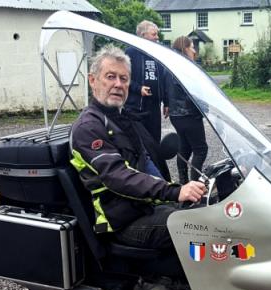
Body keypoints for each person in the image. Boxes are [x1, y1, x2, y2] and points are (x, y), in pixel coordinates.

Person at [70, 44, 206, 249]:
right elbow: (118, 177)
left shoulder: (122, 118)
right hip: (122, 222)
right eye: (110, 76)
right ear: (92, 80)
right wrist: (173, 192)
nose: (118, 84)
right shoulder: (89, 127)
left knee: (211, 210)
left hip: (144, 206)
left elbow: (146, 161)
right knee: (199, 227)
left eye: (123, 79)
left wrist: (177, 193)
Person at [164, 36, 208, 184]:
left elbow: (166, 90)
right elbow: (194, 93)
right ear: (185, 49)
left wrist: (167, 104)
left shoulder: (169, 66)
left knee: (184, 148)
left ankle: (184, 182)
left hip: (176, 116)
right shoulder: (187, 67)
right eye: (192, 47)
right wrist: (204, 108)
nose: (194, 51)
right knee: (201, 149)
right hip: (190, 114)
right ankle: (195, 185)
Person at [124, 20, 165, 144]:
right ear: (143, 35)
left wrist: (166, 101)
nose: (157, 37)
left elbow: (163, 78)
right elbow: (123, 78)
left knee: (154, 141)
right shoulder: (130, 52)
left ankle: (156, 163)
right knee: (139, 143)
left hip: (154, 107)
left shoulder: (157, 53)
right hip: (136, 107)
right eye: (154, 34)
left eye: (157, 34)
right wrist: (139, 88)